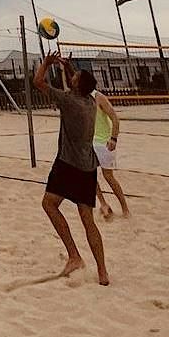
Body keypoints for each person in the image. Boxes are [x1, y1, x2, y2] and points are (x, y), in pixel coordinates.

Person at [33, 53, 109, 284]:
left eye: (74, 77)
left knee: (49, 204)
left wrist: (46, 63)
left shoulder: (69, 101)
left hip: (68, 164)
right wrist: (68, 66)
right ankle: (103, 272)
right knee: (87, 219)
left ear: (76, 85)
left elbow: (38, 82)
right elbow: (78, 83)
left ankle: (74, 255)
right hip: (88, 166)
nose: (72, 77)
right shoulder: (90, 101)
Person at [93, 90, 130, 218]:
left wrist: (114, 138)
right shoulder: (80, 97)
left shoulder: (98, 97)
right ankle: (103, 204)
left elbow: (115, 118)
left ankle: (125, 209)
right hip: (88, 143)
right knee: (89, 175)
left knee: (108, 176)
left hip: (104, 143)